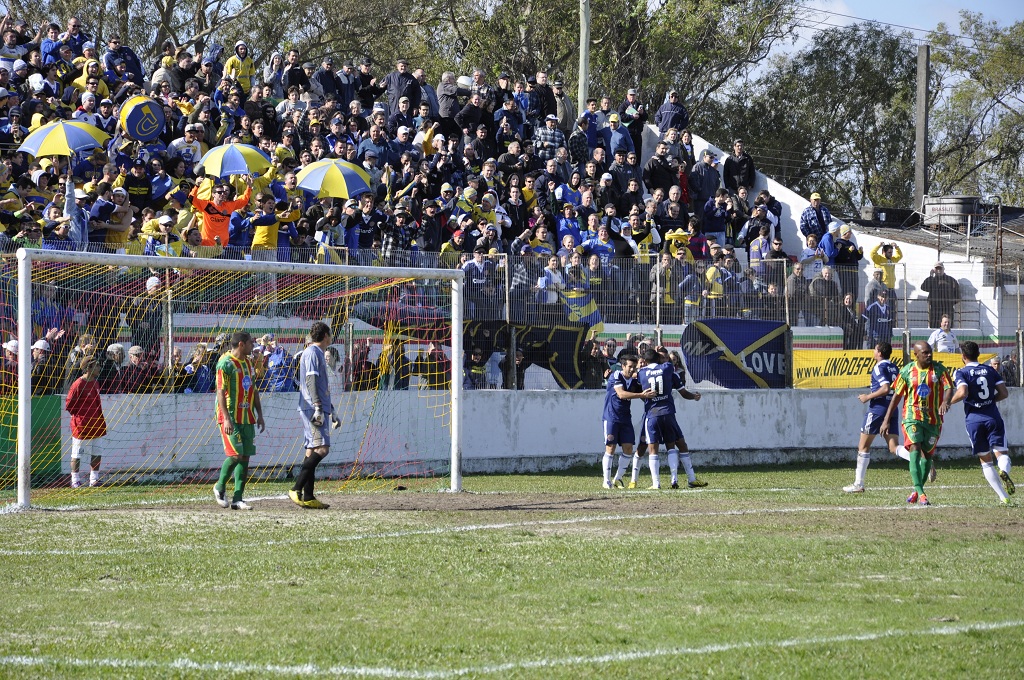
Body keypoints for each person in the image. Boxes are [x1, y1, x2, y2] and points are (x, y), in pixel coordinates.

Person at [881, 341, 954, 506]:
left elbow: (949, 387)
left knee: (927, 456)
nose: (929, 355)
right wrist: (886, 420)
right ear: (916, 355)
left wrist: (945, 401)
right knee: (915, 448)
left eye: (930, 352)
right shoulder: (906, 371)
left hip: (933, 419)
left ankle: (916, 490)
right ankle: (921, 493)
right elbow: (897, 396)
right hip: (912, 417)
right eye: (925, 353)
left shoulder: (939, 370)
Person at [950, 341, 1015, 504]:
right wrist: (991, 400)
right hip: (992, 416)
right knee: (1001, 453)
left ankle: (1004, 497)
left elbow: (963, 392)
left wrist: (948, 402)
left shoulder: (961, 372)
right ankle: (1003, 470)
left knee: (985, 460)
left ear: (963, 356)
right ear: (978, 354)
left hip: (974, 420)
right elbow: (1004, 393)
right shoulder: (990, 371)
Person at [636, 348, 707, 490]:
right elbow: (683, 391)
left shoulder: (641, 373)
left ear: (645, 361)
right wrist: (694, 396)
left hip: (652, 414)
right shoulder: (668, 369)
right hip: (667, 413)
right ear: (660, 359)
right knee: (674, 444)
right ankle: (683, 479)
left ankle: (656, 483)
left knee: (653, 449)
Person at [843, 342, 907, 493]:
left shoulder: (879, 367)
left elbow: (885, 388)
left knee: (863, 446)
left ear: (879, 352)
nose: (873, 351)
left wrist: (868, 396)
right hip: (892, 408)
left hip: (878, 409)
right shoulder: (894, 367)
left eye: (874, 349)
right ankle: (920, 460)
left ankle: (858, 484)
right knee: (893, 447)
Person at [213, 331, 266, 511]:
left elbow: (254, 389)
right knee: (236, 454)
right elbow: (220, 392)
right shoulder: (225, 364)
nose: (253, 346)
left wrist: (259, 413)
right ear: (242, 344)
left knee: (244, 456)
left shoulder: (249, 362)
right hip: (230, 416)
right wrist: (226, 419)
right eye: (251, 343)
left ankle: (237, 498)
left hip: (247, 415)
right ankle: (219, 487)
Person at [290, 322, 339, 509]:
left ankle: (308, 496)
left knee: (311, 450)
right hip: (312, 408)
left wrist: (331, 410)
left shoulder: (317, 353)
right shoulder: (311, 352)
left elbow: (320, 385)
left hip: (318, 407)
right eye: (331, 333)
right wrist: (318, 407)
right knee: (323, 448)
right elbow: (310, 381)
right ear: (326, 335)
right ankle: (296, 488)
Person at [601, 354, 655, 489]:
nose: (632, 370)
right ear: (623, 366)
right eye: (629, 367)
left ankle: (617, 478)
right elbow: (621, 394)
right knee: (610, 448)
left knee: (628, 449)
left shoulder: (634, 381)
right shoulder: (615, 376)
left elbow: (643, 394)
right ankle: (606, 481)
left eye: (634, 367)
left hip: (625, 418)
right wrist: (642, 395)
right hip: (611, 417)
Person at [65, 358, 106, 488]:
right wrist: (81, 416)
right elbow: (69, 405)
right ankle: (75, 480)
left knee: (97, 451)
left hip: (97, 422)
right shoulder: (78, 384)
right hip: (81, 424)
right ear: (88, 368)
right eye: (97, 365)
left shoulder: (95, 383)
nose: (99, 368)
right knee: (77, 453)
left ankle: (94, 479)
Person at [921, 262, 960, 329]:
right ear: (934, 270)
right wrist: (931, 276)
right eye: (937, 269)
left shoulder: (951, 280)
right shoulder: (932, 280)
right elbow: (923, 287)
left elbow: (958, 295)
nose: (938, 270)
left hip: (948, 309)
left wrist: (949, 303)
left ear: (943, 269)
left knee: (947, 327)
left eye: (940, 268)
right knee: (934, 327)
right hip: (935, 309)